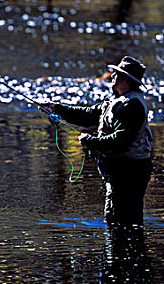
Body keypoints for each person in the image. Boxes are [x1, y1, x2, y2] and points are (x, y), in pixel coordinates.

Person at [44, 56, 153, 226]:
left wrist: (91, 141)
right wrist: (58, 108)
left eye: (116, 74)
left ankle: (124, 251)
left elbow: (120, 140)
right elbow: (87, 114)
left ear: (125, 80)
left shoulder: (132, 106)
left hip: (130, 172)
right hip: (120, 171)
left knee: (121, 220)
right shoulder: (116, 101)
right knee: (116, 219)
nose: (111, 76)